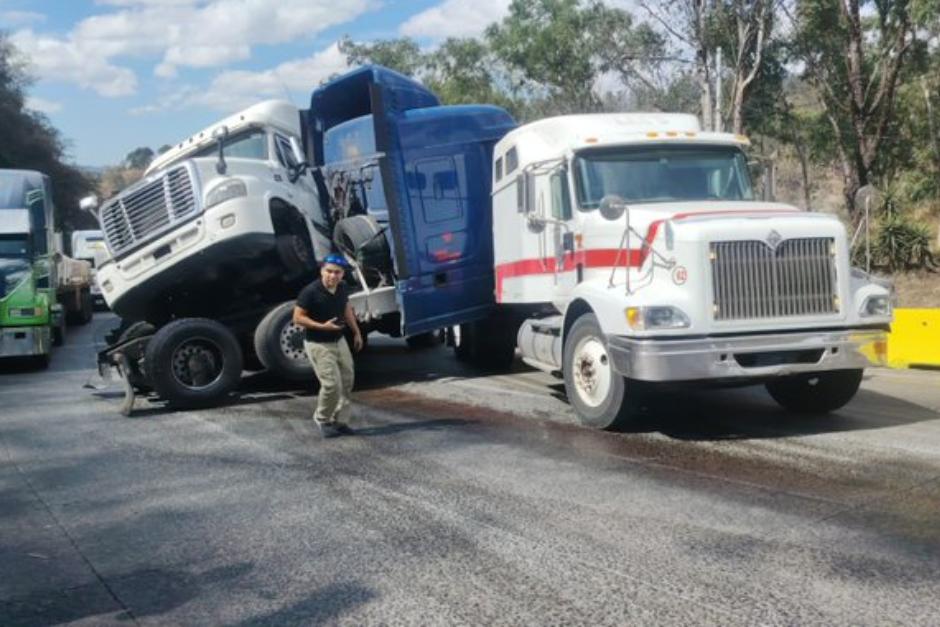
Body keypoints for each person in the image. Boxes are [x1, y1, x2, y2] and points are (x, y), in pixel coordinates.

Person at [293, 254, 364, 437]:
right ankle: (322, 419)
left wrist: (356, 332)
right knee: (332, 385)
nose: (333, 276)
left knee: (347, 381)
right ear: (322, 271)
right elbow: (297, 318)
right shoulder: (310, 292)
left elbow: (346, 308)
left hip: (339, 340)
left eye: (337, 272)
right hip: (318, 344)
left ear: (342, 274)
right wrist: (322, 326)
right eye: (329, 271)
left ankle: (340, 421)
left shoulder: (342, 288)